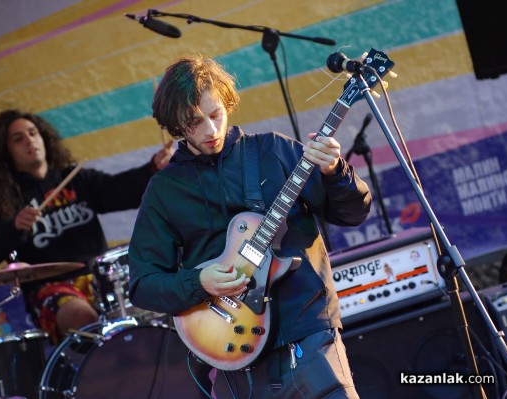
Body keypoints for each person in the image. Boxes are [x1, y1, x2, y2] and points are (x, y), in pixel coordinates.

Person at [128, 54, 371, 398]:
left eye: (215, 114)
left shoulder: (274, 150)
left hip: (307, 334)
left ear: (227, 102)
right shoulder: (165, 191)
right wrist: (198, 281)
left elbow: (352, 214)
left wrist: (335, 171)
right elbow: (143, 284)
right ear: (176, 126)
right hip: (233, 356)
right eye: (194, 122)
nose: (210, 130)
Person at [0, 109, 173, 344]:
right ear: (6, 152)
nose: (29, 140)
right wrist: (13, 226)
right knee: (83, 317)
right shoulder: (2, 199)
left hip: (99, 280)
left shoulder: (74, 178)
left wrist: (153, 169)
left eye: (33, 133)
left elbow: (118, 190)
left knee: (158, 300)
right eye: (18, 139)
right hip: (49, 289)